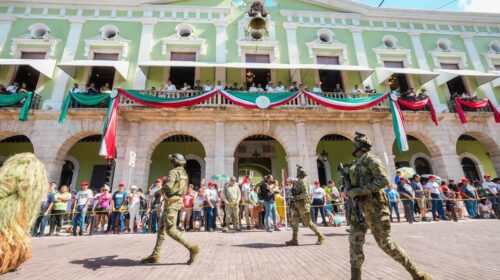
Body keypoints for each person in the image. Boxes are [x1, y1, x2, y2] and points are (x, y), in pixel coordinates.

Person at [346, 132, 431, 280]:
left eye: (355, 143)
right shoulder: (355, 163)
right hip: (358, 208)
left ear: (360, 145)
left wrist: (359, 191)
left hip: (375, 207)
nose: (353, 146)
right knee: (354, 242)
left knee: (385, 243)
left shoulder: (371, 160)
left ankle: (417, 273)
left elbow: (383, 180)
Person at [141, 154, 200, 265]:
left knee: (170, 230)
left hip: (172, 203)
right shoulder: (184, 173)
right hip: (175, 201)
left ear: (174, 162)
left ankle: (192, 248)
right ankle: (155, 255)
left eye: (171, 161)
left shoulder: (174, 172)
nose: (170, 163)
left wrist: (158, 192)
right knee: (161, 228)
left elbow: (168, 186)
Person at [285, 165, 325, 246]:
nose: (297, 173)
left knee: (308, 222)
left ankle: (320, 235)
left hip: (303, 204)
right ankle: (294, 239)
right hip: (297, 204)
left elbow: (305, 194)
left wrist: (295, 197)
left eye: (298, 171)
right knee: (294, 222)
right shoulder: (299, 181)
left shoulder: (302, 181)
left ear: (300, 173)